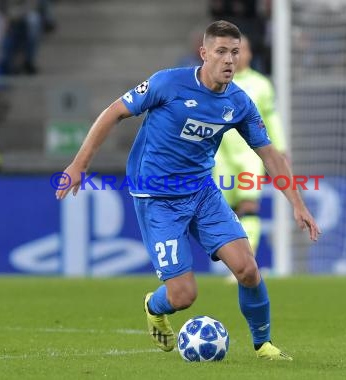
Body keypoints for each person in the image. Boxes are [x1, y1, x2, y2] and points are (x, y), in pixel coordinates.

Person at [55, 20, 320, 361]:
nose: (229, 60)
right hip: (157, 198)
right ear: (204, 53)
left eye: (235, 53)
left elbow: (269, 154)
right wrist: (79, 164)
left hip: (202, 193)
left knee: (248, 270)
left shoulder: (239, 103)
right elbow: (113, 113)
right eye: (221, 52)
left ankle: (263, 345)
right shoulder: (168, 82)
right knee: (182, 296)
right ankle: (154, 304)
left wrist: (297, 203)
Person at [213, 34, 286, 279]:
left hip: (250, 156)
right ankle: (236, 264)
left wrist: (281, 149)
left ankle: (246, 263)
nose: (235, 56)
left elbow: (271, 118)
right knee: (227, 211)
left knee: (249, 206)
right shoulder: (214, 82)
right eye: (229, 51)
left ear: (249, 54)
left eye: (240, 50)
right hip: (219, 156)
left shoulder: (261, 84)